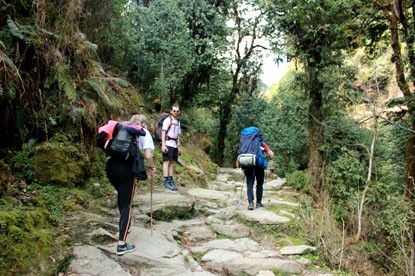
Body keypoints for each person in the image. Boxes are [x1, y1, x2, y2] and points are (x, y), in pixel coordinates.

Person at [104, 118, 146, 255]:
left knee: (122, 196)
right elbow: (146, 151)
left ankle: (124, 225)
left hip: (110, 167)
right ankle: (121, 244)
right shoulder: (136, 133)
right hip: (126, 170)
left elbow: (104, 145)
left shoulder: (117, 128)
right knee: (126, 205)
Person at [240, 129, 274, 210]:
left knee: (249, 185)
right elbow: (271, 154)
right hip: (259, 166)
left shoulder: (245, 144)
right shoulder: (261, 143)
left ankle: (250, 203)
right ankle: (258, 203)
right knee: (259, 184)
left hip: (248, 165)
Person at [161, 104, 181, 191]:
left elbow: (178, 136)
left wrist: (179, 146)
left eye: (177, 111)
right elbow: (163, 132)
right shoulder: (167, 120)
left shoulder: (178, 122)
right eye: (174, 111)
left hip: (174, 144)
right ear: (171, 111)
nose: (175, 112)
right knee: (167, 161)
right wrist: (163, 144)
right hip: (168, 143)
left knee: (172, 162)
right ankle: (166, 180)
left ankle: (170, 179)